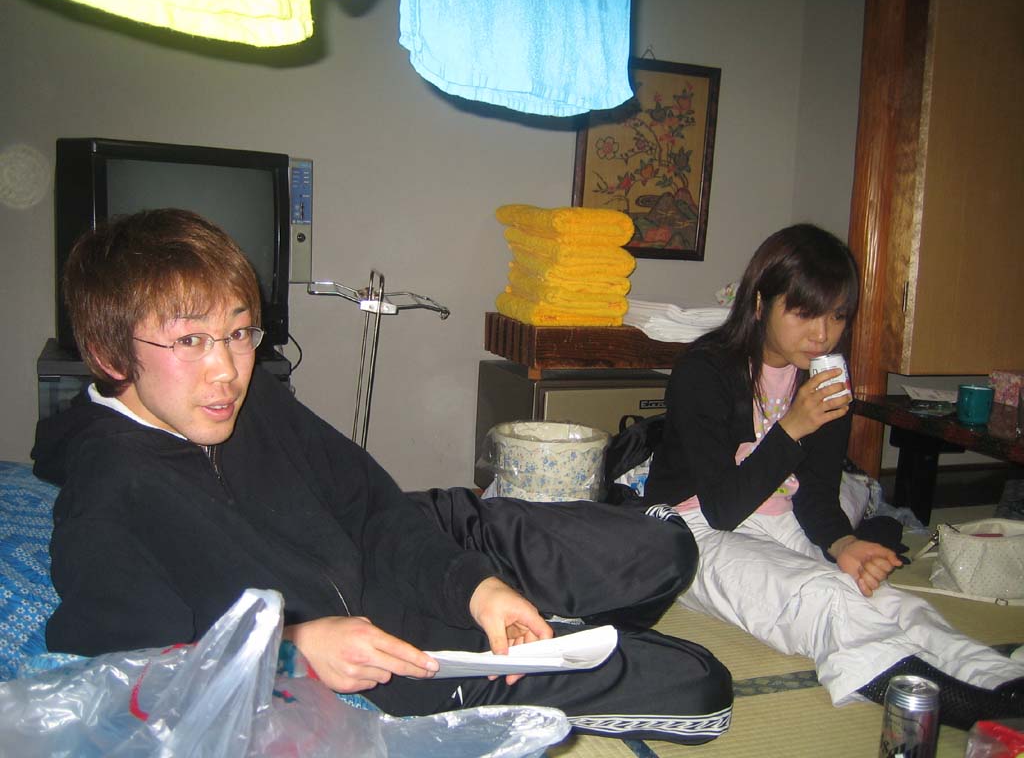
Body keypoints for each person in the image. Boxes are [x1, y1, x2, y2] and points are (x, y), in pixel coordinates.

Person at [31, 208, 733, 744]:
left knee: (668, 547)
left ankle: (542, 612)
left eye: (240, 332)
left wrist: (479, 588)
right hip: (406, 656)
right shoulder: (111, 501)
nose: (227, 370)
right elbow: (127, 681)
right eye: (189, 340)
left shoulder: (252, 396)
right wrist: (294, 652)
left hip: (425, 538)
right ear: (110, 355)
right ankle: (557, 625)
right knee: (703, 689)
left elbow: (372, 507)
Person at [644, 223, 1024, 730]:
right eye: (804, 313)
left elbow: (817, 493)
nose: (822, 334)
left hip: (777, 518)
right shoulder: (704, 370)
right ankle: (970, 709)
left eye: (838, 315)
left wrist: (844, 543)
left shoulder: (825, 373)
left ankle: (1002, 682)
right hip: (690, 529)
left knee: (887, 599)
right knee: (822, 596)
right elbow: (721, 508)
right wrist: (793, 426)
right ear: (760, 303)